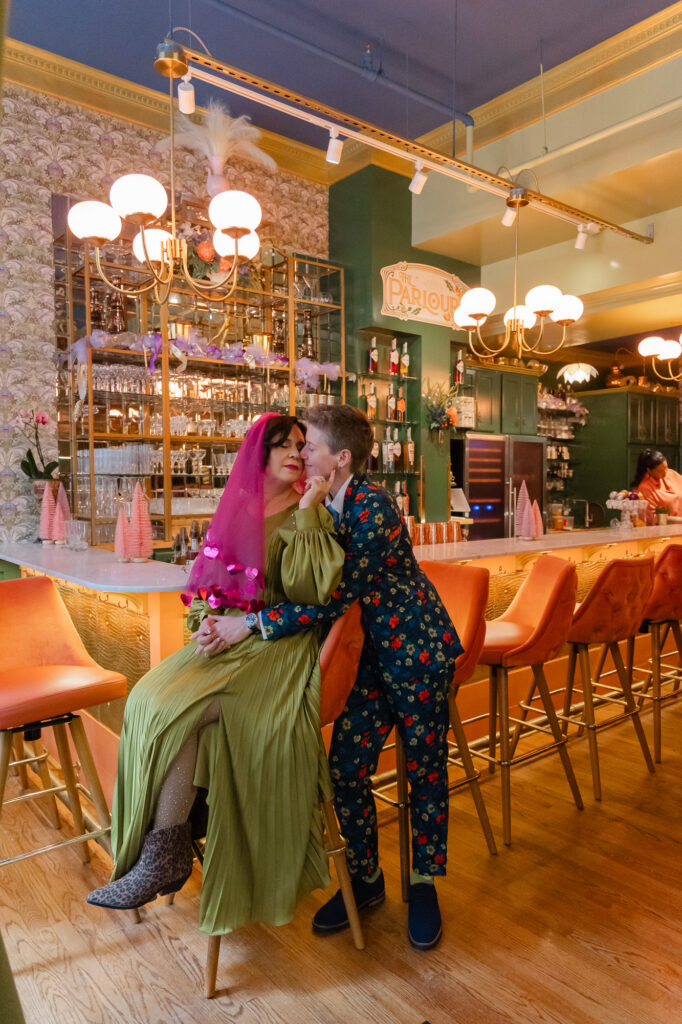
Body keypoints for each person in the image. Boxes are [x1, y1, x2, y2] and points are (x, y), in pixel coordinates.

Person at [213, 404, 463, 950]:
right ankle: (367, 877)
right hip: (367, 657)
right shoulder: (324, 502)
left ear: (341, 458)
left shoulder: (372, 507)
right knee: (346, 769)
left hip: (417, 652)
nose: (300, 453)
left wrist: (251, 626)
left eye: (310, 447)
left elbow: (332, 594)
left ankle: (423, 885)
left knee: (424, 772)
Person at [87, 413, 346, 937]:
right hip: (227, 642)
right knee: (149, 699)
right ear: (259, 453)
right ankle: (165, 846)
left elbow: (313, 590)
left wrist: (309, 512)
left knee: (188, 710)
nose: (295, 454)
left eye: (301, 446)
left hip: (280, 648)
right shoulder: (238, 509)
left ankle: (165, 851)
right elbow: (207, 588)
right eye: (283, 446)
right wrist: (204, 624)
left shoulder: (311, 510)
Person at [631, 449, 682, 525]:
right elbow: (654, 519)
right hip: (665, 532)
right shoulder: (644, 488)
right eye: (660, 471)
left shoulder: (671, 474)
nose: (665, 472)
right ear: (649, 470)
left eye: (666, 468)